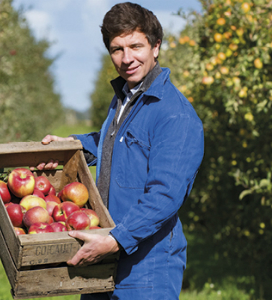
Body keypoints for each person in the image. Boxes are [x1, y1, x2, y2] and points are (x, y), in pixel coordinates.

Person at [38, 2, 204, 300]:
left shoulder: (174, 114)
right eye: (117, 49)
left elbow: (165, 195)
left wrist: (116, 240)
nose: (127, 58)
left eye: (135, 46)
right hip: (103, 254)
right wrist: (71, 147)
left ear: (156, 47)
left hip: (147, 267)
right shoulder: (126, 97)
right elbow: (114, 140)